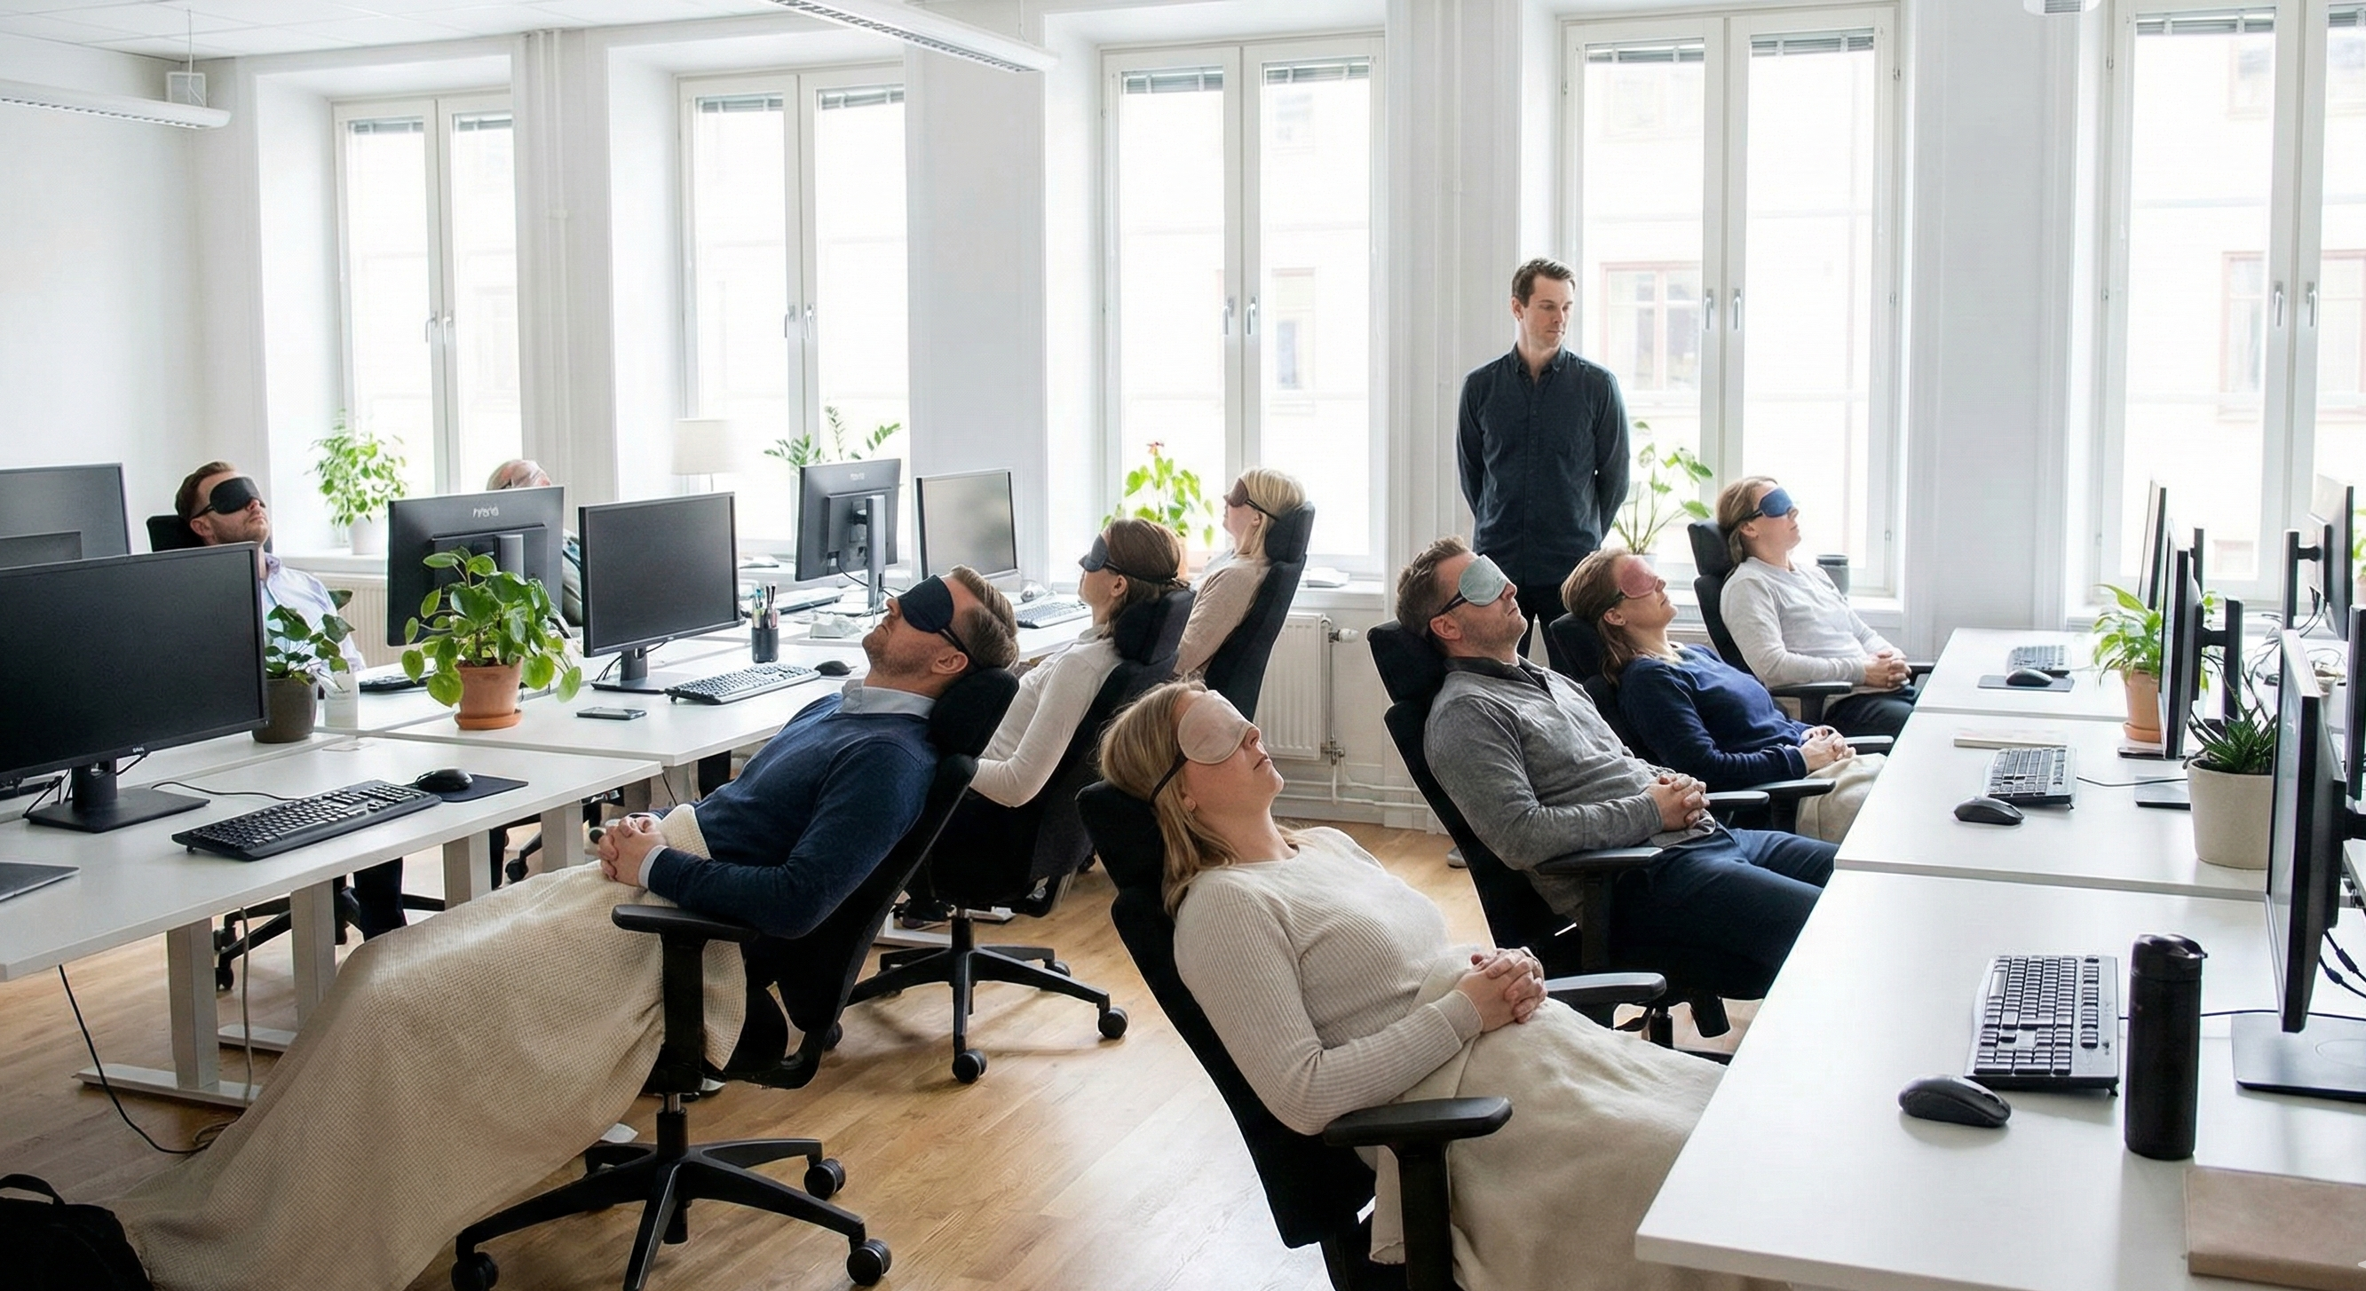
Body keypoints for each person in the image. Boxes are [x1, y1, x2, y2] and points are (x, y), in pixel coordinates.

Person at [115, 570, 1020, 1291]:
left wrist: (656, 865)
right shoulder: (842, 706)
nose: (898, 601)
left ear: (944, 662)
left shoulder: (890, 760)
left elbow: (795, 902)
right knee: (380, 965)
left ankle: (284, 1253)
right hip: (651, 889)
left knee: (397, 1010)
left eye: (926, 608)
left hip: (694, 946)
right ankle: (237, 1201)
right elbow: (744, 815)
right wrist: (649, 840)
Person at [1098, 681, 1778, 1291]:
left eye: (1242, 719)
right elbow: (1303, 1095)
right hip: (1473, 1123)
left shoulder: (1328, 845)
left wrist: (1507, 966)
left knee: (1742, 1122)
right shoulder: (1223, 907)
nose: (1252, 734)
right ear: (1180, 791)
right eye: (1216, 736)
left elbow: (1419, 964)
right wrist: (1463, 1011)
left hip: (1540, 1055)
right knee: (1700, 1177)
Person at [1398, 535, 1833, 1001]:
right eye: (1481, 585)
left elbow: (1619, 763)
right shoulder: (1467, 713)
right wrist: (1651, 811)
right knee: (1836, 934)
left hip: (1708, 841)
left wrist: (1673, 784)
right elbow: (1521, 836)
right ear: (1446, 625)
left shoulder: (1553, 682)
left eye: (1497, 573)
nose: (1509, 588)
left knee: (1866, 882)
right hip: (1643, 879)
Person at [174, 461, 403, 937]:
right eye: (233, 498)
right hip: (257, 758)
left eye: (253, 492)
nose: (253, 501)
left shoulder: (306, 586)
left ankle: (388, 938)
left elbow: (349, 668)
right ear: (202, 525)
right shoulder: (192, 604)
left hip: (335, 742)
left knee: (392, 792)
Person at [1562, 548, 1882, 843]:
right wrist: (1800, 758)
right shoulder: (1648, 679)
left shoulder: (1698, 654)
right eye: (1640, 580)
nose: (1659, 582)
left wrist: (1812, 734)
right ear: (1615, 615)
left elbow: (1769, 721)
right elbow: (1705, 769)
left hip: (1825, 770)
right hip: (1799, 794)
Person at [1458, 257, 1631, 656]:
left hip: (1570, 567)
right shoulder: (1481, 387)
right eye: (1548, 306)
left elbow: (1616, 478)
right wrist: (1494, 520)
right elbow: (1473, 474)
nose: (1560, 318)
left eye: (1567, 307)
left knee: (1577, 683)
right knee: (1494, 679)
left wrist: (1583, 533)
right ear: (1517, 307)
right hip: (1497, 564)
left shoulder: (1597, 386)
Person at [967, 517, 1186, 808]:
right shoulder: (1111, 651)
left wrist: (945, 762)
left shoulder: (1081, 667)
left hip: (974, 797)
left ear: (1118, 585)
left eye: (1095, 557)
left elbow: (1016, 786)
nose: (1083, 563)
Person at [1715, 476, 1916, 738]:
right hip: (1844, 704)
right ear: (1749, 527)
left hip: (1885, 692)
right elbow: (1773, 667)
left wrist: (1891, 657)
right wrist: (1861, 671)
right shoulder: (1748, 585)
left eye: (1790, 503)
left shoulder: (1815, 575)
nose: (1793, 512)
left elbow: (1862, 633)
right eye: (1777, 505)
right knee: (1931, 734)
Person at [1173, 467, 1307, 680]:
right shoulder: (1236, 560)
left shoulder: (1237, 578)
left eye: (1237, 495)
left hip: (1169, 693)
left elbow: (1183, 658)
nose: (1226, 498)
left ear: (1257, 517)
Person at [484, 458, 583, 630]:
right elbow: (579, 614)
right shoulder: (531, 555)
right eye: (531, 476)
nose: (547, 483)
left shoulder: (568, 537)